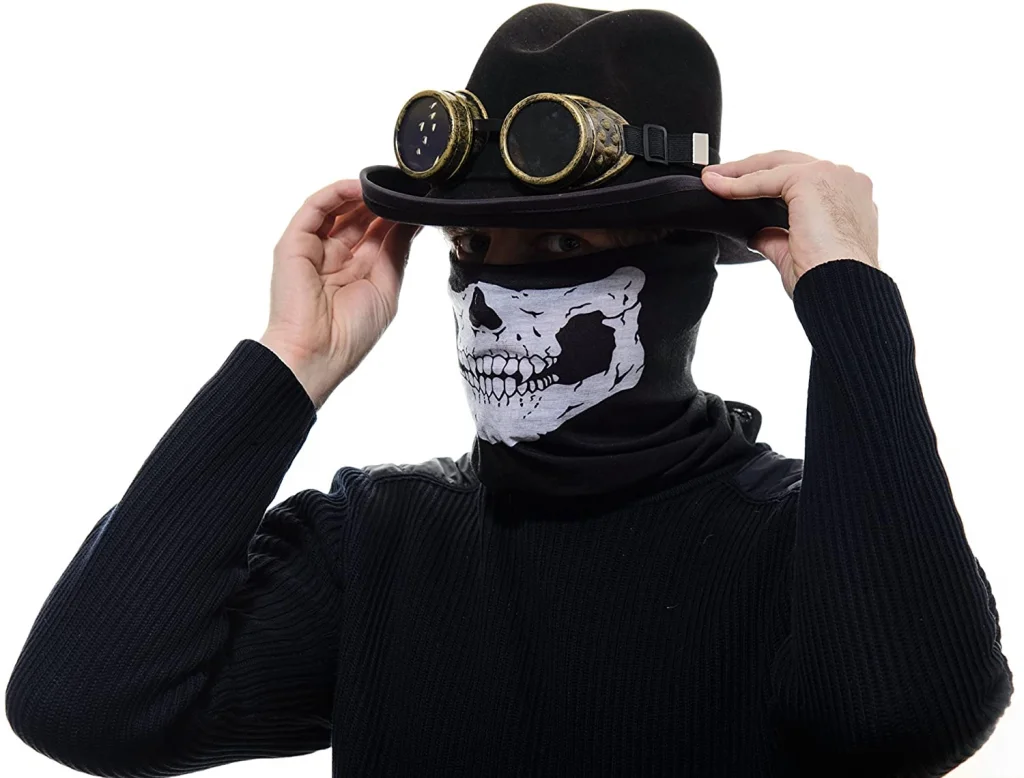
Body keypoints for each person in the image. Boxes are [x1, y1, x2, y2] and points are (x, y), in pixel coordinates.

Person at [5, 4, 1012, 777]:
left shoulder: (802, 543)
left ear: (681, 276)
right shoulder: (373, 542)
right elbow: (83, 705)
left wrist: (848, 300)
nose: (486, 296)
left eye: (562, 245)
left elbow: (903, 715)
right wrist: (291, 362)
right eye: (471, 246)